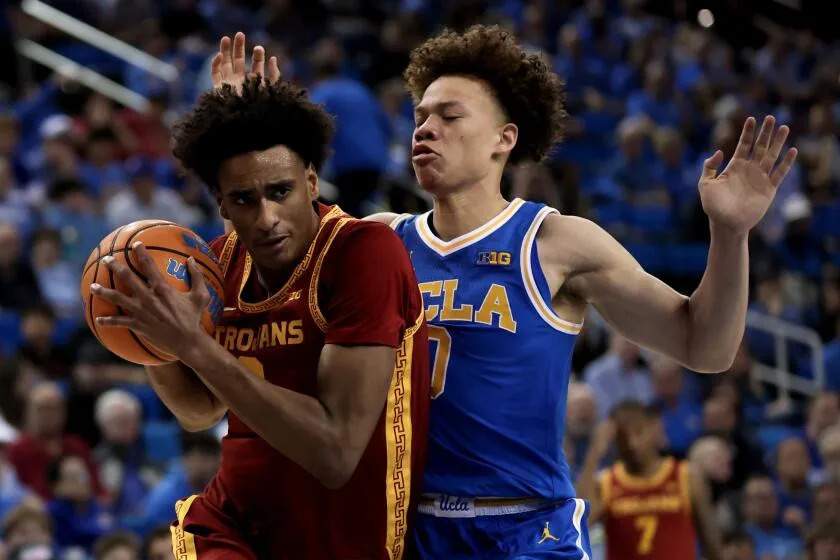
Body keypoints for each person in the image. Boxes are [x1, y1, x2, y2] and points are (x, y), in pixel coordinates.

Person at [214, 23, 796, 558]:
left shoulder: (556, 243)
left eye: (449, 116)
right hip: (408, 529)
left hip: (528, 529)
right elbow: (264, 268)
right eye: (419, 117)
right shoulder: (377, 239)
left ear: (503, 138)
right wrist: (251, 129)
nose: (425, 129)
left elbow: (705, 346)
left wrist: (729, 233)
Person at [90, 75, 430, 560]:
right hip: (234, 522)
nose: (266, 216)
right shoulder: (213, 263)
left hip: (347, 532)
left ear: (312, 182)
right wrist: (152, 340)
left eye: (280, 191)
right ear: (222, 204)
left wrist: (191, 344)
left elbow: (336, 453)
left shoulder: (364, 252)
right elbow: (197, 412)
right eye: (245, 199)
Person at [576, 402, 722, 560]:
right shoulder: (606, 482)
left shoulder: (686, 475)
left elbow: (712, 543)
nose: (632, 444)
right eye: (623, 437)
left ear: (654, 428)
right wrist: (594, 452)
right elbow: (577, 523)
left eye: (638, 432)